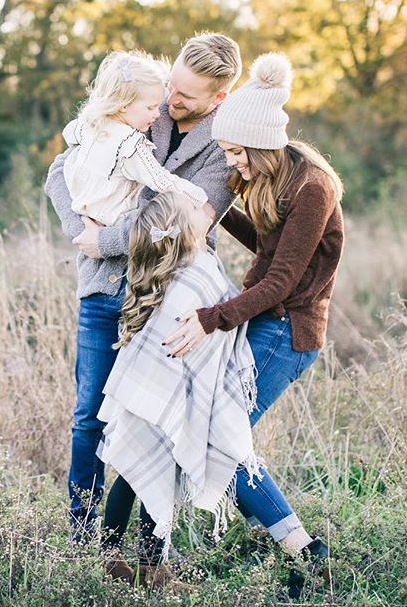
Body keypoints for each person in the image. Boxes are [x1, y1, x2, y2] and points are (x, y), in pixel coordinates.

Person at [45, 33, 243, 536]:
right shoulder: (140, 98)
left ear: (218, 99)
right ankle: (82, 530)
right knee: (90, 413)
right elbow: (60, 170)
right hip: (101, 288)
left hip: (167, 295)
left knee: (155, 419)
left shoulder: (226, 142)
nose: (170, 102)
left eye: (186, 96)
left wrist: (105, 238)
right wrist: (79, 233)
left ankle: (149, 541)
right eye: (172, 84)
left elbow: (192, 225)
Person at [163, 52, 344, 596]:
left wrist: (210, 319)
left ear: (264, 145)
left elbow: (282, 280)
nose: (233, 164)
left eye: (238, 153)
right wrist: (203, 207)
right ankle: (305, 552)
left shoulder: (312, 188)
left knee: (223, 442)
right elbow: (266, 246)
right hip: (261, 320)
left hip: (287, 332)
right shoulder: (269, 178)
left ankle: (310, 557)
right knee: (224, 440)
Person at [96, 191, 262, 589]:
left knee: (143, 472)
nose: (203, 211)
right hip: (159, 391)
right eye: (193, 209)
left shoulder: (174, 269)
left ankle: (132, 562)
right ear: (182, 228)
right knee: (146, 472)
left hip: (150, 392)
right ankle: (128, 563)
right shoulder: (195, 271)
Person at [62, 50, 209, 228]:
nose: (157, 114)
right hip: (115, 219)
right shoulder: (129, 145)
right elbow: (161, 180)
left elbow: (68, 133)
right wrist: (199, 197)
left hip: (82, 208)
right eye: (151, 108)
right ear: (124, 105)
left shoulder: (90, 123)